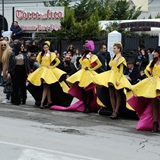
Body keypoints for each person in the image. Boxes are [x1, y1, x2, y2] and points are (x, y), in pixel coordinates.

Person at [27, 41, 72, 109]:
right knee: (46, 87)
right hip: (42, 70)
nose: (45, 48)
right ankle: (49, 101)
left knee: (46, 86)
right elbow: (39, 61)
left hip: (48, 71)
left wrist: (52, 67)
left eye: (46, 47)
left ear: (48, 47)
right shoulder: (41, 54)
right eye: (44, 47)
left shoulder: (51, 54)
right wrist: (42, 66)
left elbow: (58, 61)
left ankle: (42, 102)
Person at [92, 42, 131, 119]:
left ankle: (116, 111)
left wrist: (118, 79)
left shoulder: (121, 58)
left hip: (116, 77)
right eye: (113, 48)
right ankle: (113, 110)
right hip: (111, 76)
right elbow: (111, 66)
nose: (113, 50)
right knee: (111, 94)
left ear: (119, 49)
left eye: (115, 48)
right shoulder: (113, 58)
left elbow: (121, 71)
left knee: (117, 95)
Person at [127, 48, 160, 132]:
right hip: (153, 85)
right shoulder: (152, 62)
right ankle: (155, 124)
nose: (154, 53)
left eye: (155, 52)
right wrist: (150, 77)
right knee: (154, 105)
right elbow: (146, 71)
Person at [66, 40, 102, 113]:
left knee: (89, 91)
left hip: (88, 74)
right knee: (82, 90)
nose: (83, 49)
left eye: (84, 48)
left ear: (88, 48)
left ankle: (88, 106)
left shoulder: (92, 55)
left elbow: (99, 64)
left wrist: (91, 69)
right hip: (82, 74)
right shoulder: (83, 55)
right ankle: (85, 106)